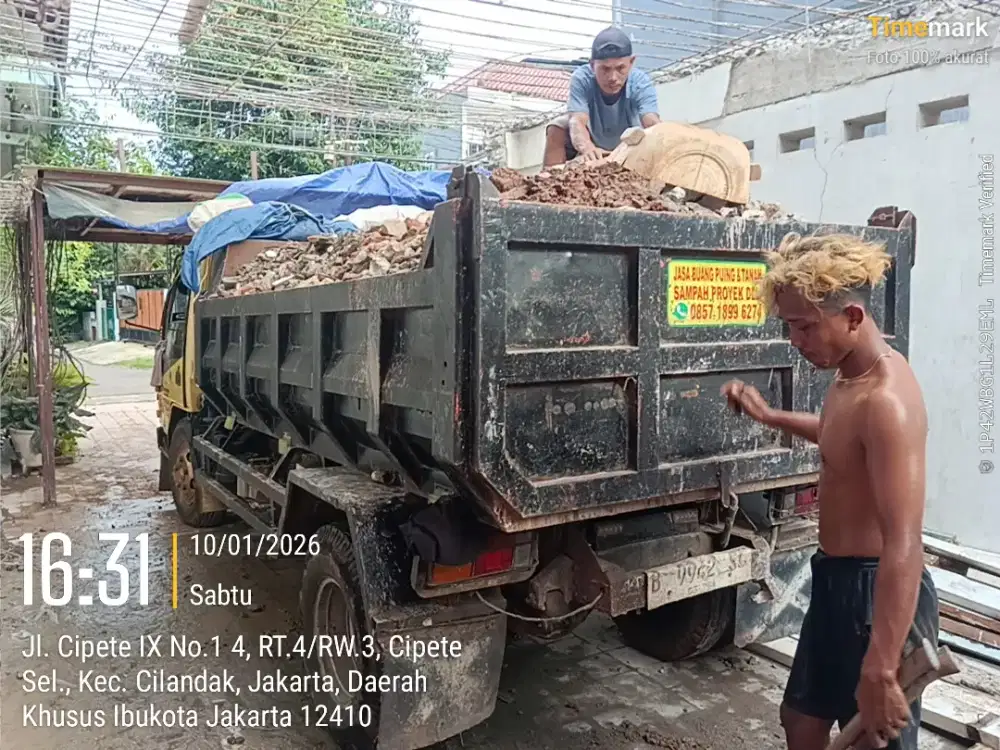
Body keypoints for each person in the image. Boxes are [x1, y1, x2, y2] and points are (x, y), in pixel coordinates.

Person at [720, 233, 939, 750]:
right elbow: (838, 432)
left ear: (854, 318)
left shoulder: (887, 400)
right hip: (835, 582)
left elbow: (905, 544)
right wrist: (771, 416)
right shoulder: (848, 379)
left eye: (804, 327)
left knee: (872, 738)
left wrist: (884, 665)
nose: (796, 340)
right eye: (790, 327)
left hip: (873, 593)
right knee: (801, 721)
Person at [543, 27, 661, 167]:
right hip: (592, 141)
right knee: (557, 126)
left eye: (620, 68)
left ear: (631, 62)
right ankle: (549, 177)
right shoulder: (582, 78)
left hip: (628, 146)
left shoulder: (641, 82)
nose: (612, 78)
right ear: (592, 65)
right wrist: (587, 148)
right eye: (605, 69)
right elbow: (577, 121)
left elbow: (652, 122)